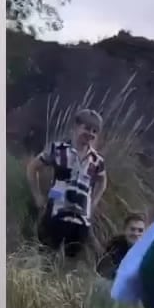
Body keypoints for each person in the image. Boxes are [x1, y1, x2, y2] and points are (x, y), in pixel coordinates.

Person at [27, 108, 107, 261]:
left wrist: (93, 203)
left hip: (80, 218)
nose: (90, 134)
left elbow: (102, 181)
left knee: (72, 260)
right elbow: (32, 168)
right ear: (76, 127)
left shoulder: (97, 160)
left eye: (94, 131)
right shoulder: (58, 149)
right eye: (87, 128)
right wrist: (37, 196)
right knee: (47, 255)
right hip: (56, 210)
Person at [96, 213, 146, 280]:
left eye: (140, 230)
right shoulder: (114, 248)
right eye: (132, 229)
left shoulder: (150, 251)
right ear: (125, 230)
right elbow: (102, 273)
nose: (136, 234)